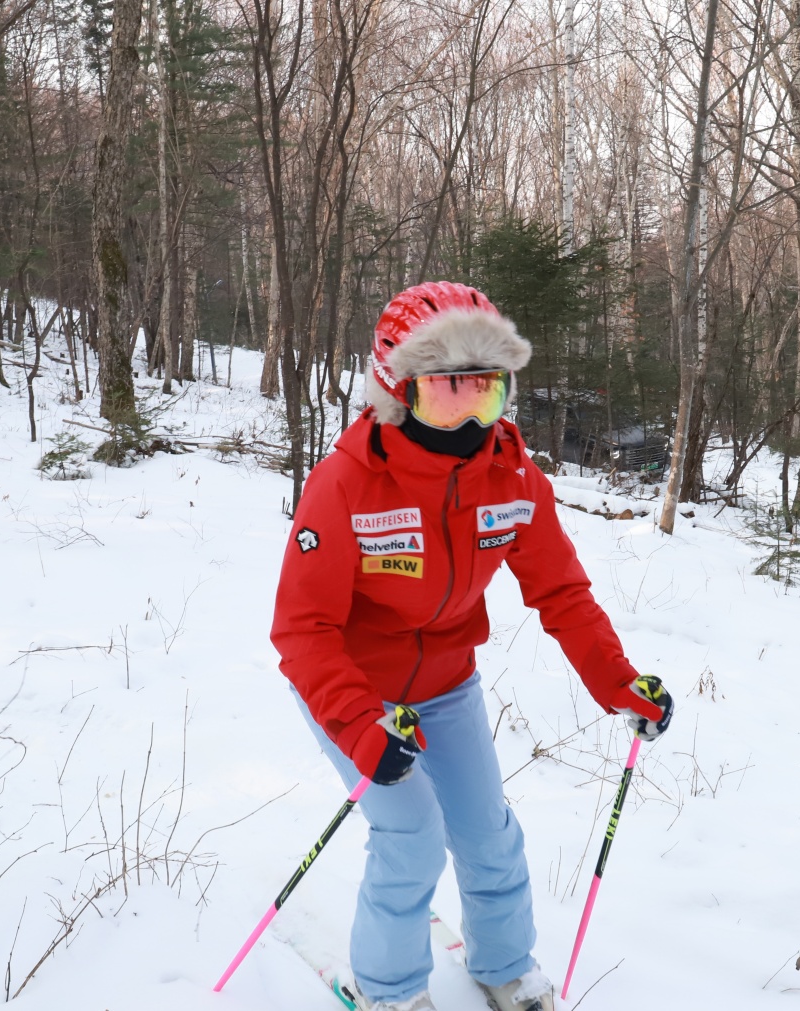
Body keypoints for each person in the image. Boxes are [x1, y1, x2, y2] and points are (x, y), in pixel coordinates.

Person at [271, 282, 674, 1011]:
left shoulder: (511, 476)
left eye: (486, 394)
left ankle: (506, 966)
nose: (469, 422)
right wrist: (360, 725)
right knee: (412, 834)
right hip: (353, 688)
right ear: (399, 395)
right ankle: (391, 990)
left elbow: (562, 592)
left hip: (447, 682)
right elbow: (303, 628)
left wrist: (618, 682)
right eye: (446, 396)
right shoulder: (347, 484)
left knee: (489, 834)